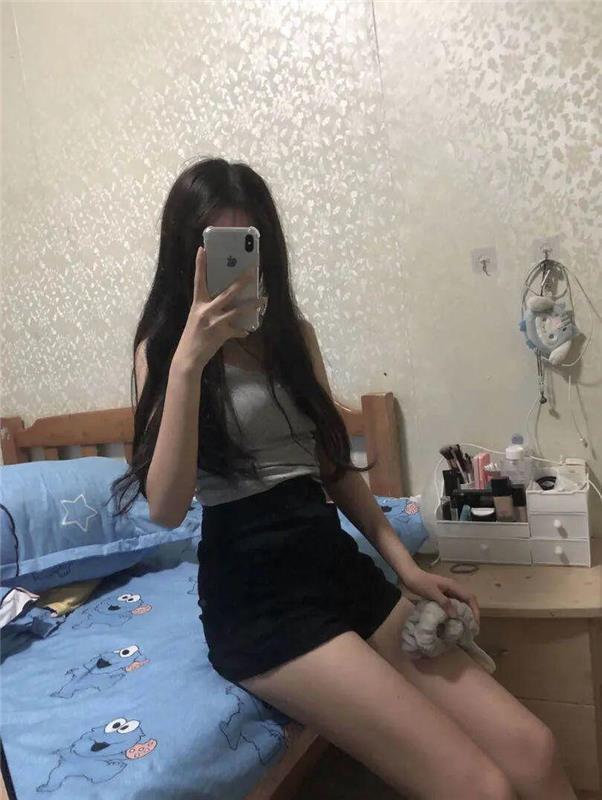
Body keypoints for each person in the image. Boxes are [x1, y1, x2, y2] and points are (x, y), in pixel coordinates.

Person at [110, 157, 576, 800]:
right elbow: (165, 507)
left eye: (247, 243)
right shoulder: (162, 352)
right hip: (259, 604)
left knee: (534, 747)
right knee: (481, 787)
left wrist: (404, 567)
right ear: (185, 253)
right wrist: (189, 360)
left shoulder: (293, 337)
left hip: (334, 568)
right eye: (216, 245)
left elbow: (333, 467)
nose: (233, 265)